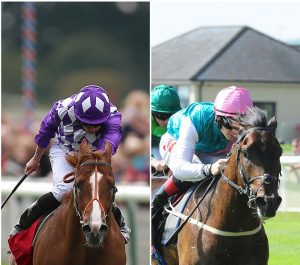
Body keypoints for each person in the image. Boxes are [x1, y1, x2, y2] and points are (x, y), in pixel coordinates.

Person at [10, 85, 131, 244]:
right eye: (88, 124)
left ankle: (121, 224)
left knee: (98, 187)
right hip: (63, 150)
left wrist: (92, 157)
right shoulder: (63, 108)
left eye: (97, 124)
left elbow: (111, 138)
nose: (93, 128)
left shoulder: (112, 114)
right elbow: (46, 131)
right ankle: (23, 223)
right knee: (63, 190)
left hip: (95, 152)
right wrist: (36, 158)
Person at [152, 86, 254, 236]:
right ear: (218, 118)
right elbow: (181, 168)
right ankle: (157, 201)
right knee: (195, 169)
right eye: (230, 127)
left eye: (241, 129)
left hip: (210, 150)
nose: (235, 133)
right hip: (175, 140)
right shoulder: (196, 117)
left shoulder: (245, 126)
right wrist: (208, 169)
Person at [151, 85, 181, 172]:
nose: (168, 121)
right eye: (162, 116)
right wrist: (153, 161)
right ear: (152, 113)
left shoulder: (182, 120)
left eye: (171, 116)